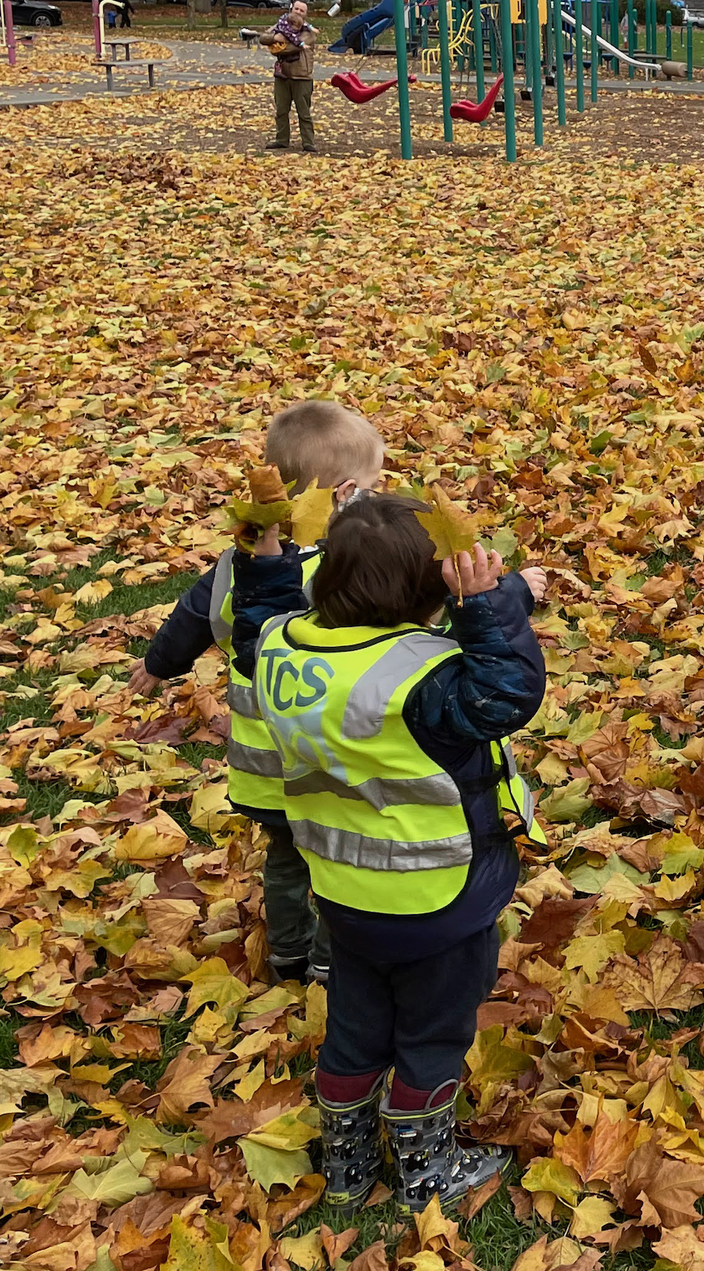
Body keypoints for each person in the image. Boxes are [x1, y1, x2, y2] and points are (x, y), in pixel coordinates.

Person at [231, 495, 548, 1211]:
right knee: (432, 1031)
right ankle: (425, 1165)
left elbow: (256, 624)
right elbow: (506, 694)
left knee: (356, 1021)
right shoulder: (423, 678)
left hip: (344, 894)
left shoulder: (283, 650)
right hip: (438, 900)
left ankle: (344, 1159)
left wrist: (266, 560)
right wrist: (488, 604)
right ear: (432, 596)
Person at [131, 400, 384, 987]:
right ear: (347, 492)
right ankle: (327, 957)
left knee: (288, 856)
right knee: (336, 860)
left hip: (262, 766)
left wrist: (159, 662)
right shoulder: (357, 565)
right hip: (330, 761)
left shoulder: (240, 561)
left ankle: (288, 952)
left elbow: (194, 615)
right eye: (374, 486)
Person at [264, 0, 317, 153]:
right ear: (291, 9)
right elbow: (263, 38)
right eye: (296, 9)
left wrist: (277, 42)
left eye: (302, 10)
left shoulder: (309, 33)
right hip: (282, 75)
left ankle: (308, 142)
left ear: (306, 14)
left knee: (304, 113)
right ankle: (281, 139)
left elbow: (291, 48)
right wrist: (275, 39)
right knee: (281, 110)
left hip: (302, 77)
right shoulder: (280, 25)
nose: (298, 12)